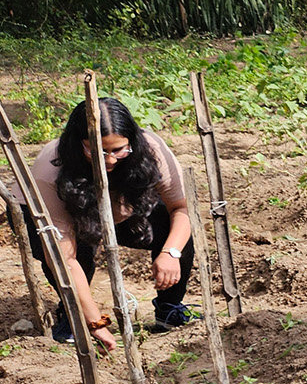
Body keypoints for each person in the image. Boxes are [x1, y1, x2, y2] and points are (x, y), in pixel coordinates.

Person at [25, 96, 198, 348]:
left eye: (119, 150)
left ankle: (169, 309)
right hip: (67, 215)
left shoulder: (151, 150)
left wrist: (171, 253)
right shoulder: (51, 167)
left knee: (173, 233)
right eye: (96, 151)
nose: (109, 160)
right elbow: (63, 258)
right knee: (78, 256)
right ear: (78, 143)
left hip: (122, 209)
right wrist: (96, 322)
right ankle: (73, 315)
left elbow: (181, 208)